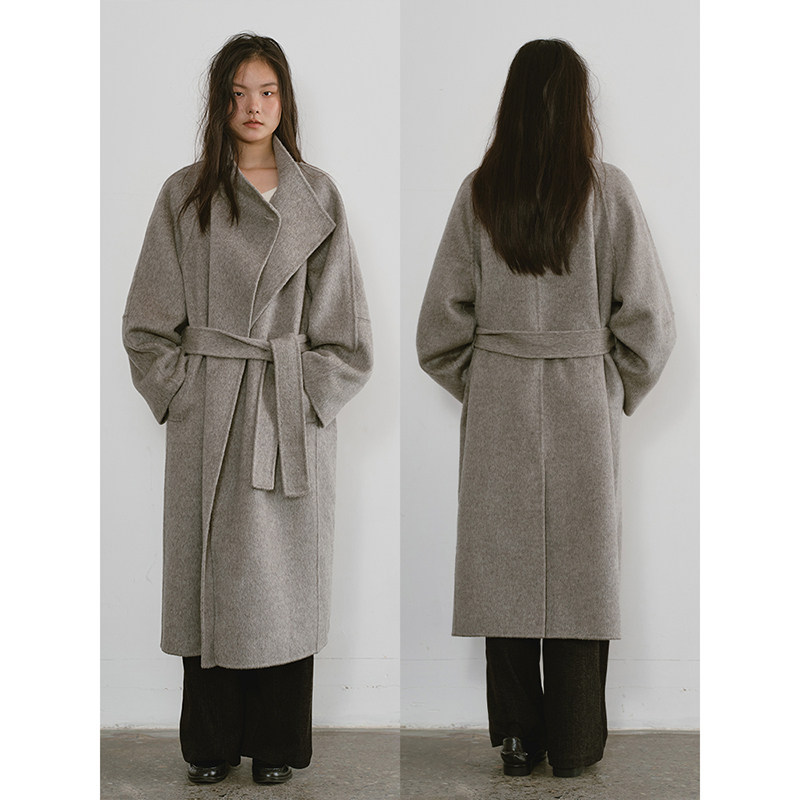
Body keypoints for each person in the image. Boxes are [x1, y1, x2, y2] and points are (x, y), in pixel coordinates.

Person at [416, 39, 675, 779]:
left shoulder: (479, 192)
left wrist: (488, 382)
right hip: (581, 402)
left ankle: (517, 740)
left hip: (501, 399)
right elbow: (650, 323)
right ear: (578, 105)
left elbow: (438, 332)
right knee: (581, 577)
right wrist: (611, 386)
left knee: (505, 577)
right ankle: (576, 742)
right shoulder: (608, 191)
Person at [122, 33, 372, 786]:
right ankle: (210, 746)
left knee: (282, 587)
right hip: (210, 412)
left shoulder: (318, 197)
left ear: (285, 100)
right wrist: (182, 392)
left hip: (285, 411)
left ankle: (276, 746)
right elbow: (145, 323)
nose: (253, 107)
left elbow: (347, 336)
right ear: (219, 104)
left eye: (266, 92)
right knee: (211, 583)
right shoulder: (184, 194)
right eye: (237, 94)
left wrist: (305, 396)